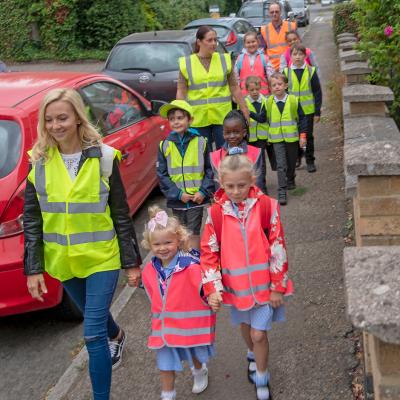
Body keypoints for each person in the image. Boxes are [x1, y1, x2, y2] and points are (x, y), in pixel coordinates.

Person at [23, 88, 142, 400]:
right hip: (63, 261)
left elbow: (120, 213)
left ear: (77, 117)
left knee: (92, 335)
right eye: (48, 120)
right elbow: (32, 219)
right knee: (98, 318)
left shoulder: (103, 158)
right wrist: (33, 268)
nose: (55, 125)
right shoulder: (38, 161)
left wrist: (131, 262)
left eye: (62, 117)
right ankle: (117, 334)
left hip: (101, 257)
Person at [200, 154, 293, 400]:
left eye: (241, 185)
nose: (236, 191)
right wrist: (213, 288)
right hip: (236, 288)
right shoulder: (215, 214)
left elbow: (278, 246)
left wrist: (277, 286)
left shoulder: (266, 206)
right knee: (246, 327)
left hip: (264, 287)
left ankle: (262, 379)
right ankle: (251, 354)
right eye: (230, 186)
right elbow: (208, 252)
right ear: (221, 182)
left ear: (252, 179)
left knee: (259, 334)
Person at [141, 207, 216, 400]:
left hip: (189, 326)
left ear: (179, 240)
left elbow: (205, 287)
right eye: (157, 244)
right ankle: (168, 395)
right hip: (163, 328)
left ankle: (199, 372)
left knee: (193, 353)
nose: (163, 247)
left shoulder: (191, 266)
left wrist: (213, 297)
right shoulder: (149, 271)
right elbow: (153, 296)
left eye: (168, 242)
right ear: (149, 245)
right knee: (164, 363)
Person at [176, 25, 249, 151]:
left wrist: (244, 110)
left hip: (223, 117)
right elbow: (181, 92)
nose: (214, 43)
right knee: (203, 156)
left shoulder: (224, 60)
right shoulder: (186, 63)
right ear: (199, 42)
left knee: (226, 153)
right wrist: (180, 116)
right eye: (209, 40)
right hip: (197, 118)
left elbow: (234, 87)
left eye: (215, 40)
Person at [157, 100, 214, 250]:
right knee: (180, 232)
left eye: (180, 117)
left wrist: (203, 191)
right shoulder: (164, 145)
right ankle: (184, 263)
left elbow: (210, 169)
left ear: (190, 120)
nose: (176, 122)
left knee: (193, 231)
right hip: (177, 200)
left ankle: (194, 261)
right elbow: (162, 175)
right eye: (172, 119)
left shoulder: (201, 142)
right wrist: (177, 194)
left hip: (196, 199)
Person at [250, 72, 307, 206]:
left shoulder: (293, 100)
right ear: (270, 88)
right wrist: (250, 113)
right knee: (281, 165)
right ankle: (282, 191)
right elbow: (263, 118)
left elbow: (302, 119)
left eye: (279, 84)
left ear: (286, 85)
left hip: (292, 138)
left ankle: (291, 178)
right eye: (274, 85)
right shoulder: (268, 102)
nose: (277, 87)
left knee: (291, 163)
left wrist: (302, 136)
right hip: (276, 140)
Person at [283, 43, 322, 172]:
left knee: (308, 136)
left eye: (300, 54)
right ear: (290, 56)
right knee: (294, 136)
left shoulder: (311, 71)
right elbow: (283, 93)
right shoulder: (286, 72)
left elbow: (317, 92)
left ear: (305, 56)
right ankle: (297, 158)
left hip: (308, 111)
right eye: (295, 54)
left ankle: (310, 160)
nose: (298, 57)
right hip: (292, 112)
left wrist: (317, 112)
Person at [210, 109, 266, 193]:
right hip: (226, 203)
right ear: (223, 133)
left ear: (244, 133)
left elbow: (258, 183)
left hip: (250, 201)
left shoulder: (255, 152)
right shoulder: (215, 156)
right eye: (228, 133)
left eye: (236, 132)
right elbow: (217, 185)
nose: (232, 136)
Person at [245, 75, 277, 183]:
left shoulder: (265, 101)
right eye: (251, 90)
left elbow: (262, 119)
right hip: (250, 138)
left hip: (263, 138)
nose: (254, 92)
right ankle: (254, 182)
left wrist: (249, 113)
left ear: (260, 88)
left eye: (256, 89)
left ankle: (262, 183)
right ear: (247, 90)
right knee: (251, 162)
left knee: (261, 161)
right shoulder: (244, 103)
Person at [260, 2, 297, 71]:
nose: (274, 14)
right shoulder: (264, 30)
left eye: (276, 12)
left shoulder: (291, 26)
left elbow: (298, 46)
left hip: (290, 66)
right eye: (272, 12)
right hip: (273, 69)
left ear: (281, 12)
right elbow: (262, 52)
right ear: (269, 13)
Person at [234, 31, 274, 96]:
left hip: (263, 96)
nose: (251, 44)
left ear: (258, 42)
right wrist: (237, 95)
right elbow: (236, 79)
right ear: (244, 44)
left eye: (253, 42)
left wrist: (272, 92)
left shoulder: (264, 58)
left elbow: (271, 78)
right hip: (245, 96)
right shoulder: (239, 59)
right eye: (248, 42)